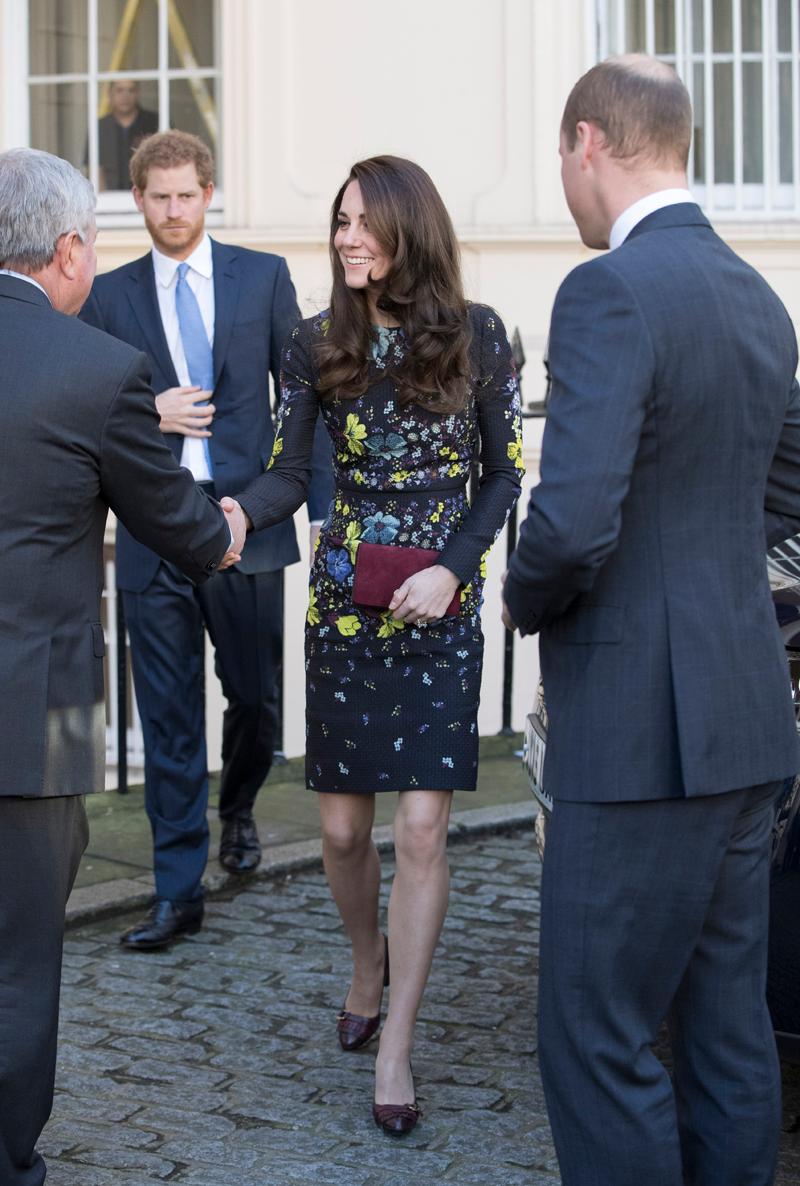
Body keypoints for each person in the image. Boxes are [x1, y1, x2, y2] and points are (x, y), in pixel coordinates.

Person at [502, 55, 800, 1186]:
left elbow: (571, 525)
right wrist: (703, 550)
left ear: (587, 142)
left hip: (635, 732)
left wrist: (523, 597)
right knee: (727, 1034)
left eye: (561, 160)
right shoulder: (752, 290)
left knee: (597, 1034)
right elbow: (786, 479)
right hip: (744, 718)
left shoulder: (606, 292)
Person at [224, 155, 523, 1135]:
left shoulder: (478, 337)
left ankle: (395, 1043)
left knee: (423, 828)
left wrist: (456, 568)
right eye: (340, 220)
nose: (346, 236)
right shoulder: (317, 342)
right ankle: (365, 960)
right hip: (347, 605)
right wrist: (225, 516)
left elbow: (500, 478)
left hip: (438, 604)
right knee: (345, 832)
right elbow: (283, 474)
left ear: (408, 230)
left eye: (363, 222)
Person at [0, 147, 238, 1186]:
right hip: (33, 718)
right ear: (66, 251)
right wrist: (231, 529)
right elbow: (186, 531)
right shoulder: (96, 371)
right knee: (16, 959)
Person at [80, 130, 334, 950]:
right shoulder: (110, 295)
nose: (173, 210)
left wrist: (323, 512)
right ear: (138, 199)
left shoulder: (261, 278)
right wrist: (148, 412)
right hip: (154, 527)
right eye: (158, 197)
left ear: (209, 191)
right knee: (167, 714)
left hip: (248, 523)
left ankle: (240, 808)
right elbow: (79, 396)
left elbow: (306, 402)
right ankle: (178, 890)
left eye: (186, 194)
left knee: (256, 700)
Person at [96, 80, 158, 191]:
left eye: (131, 90)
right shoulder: (100, 126)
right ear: (110, 94)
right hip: (111, 198)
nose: (125, 96)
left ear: (138, 93)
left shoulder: (155, 122)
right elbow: (95, 167)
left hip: (148, 194)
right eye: (119, 91)